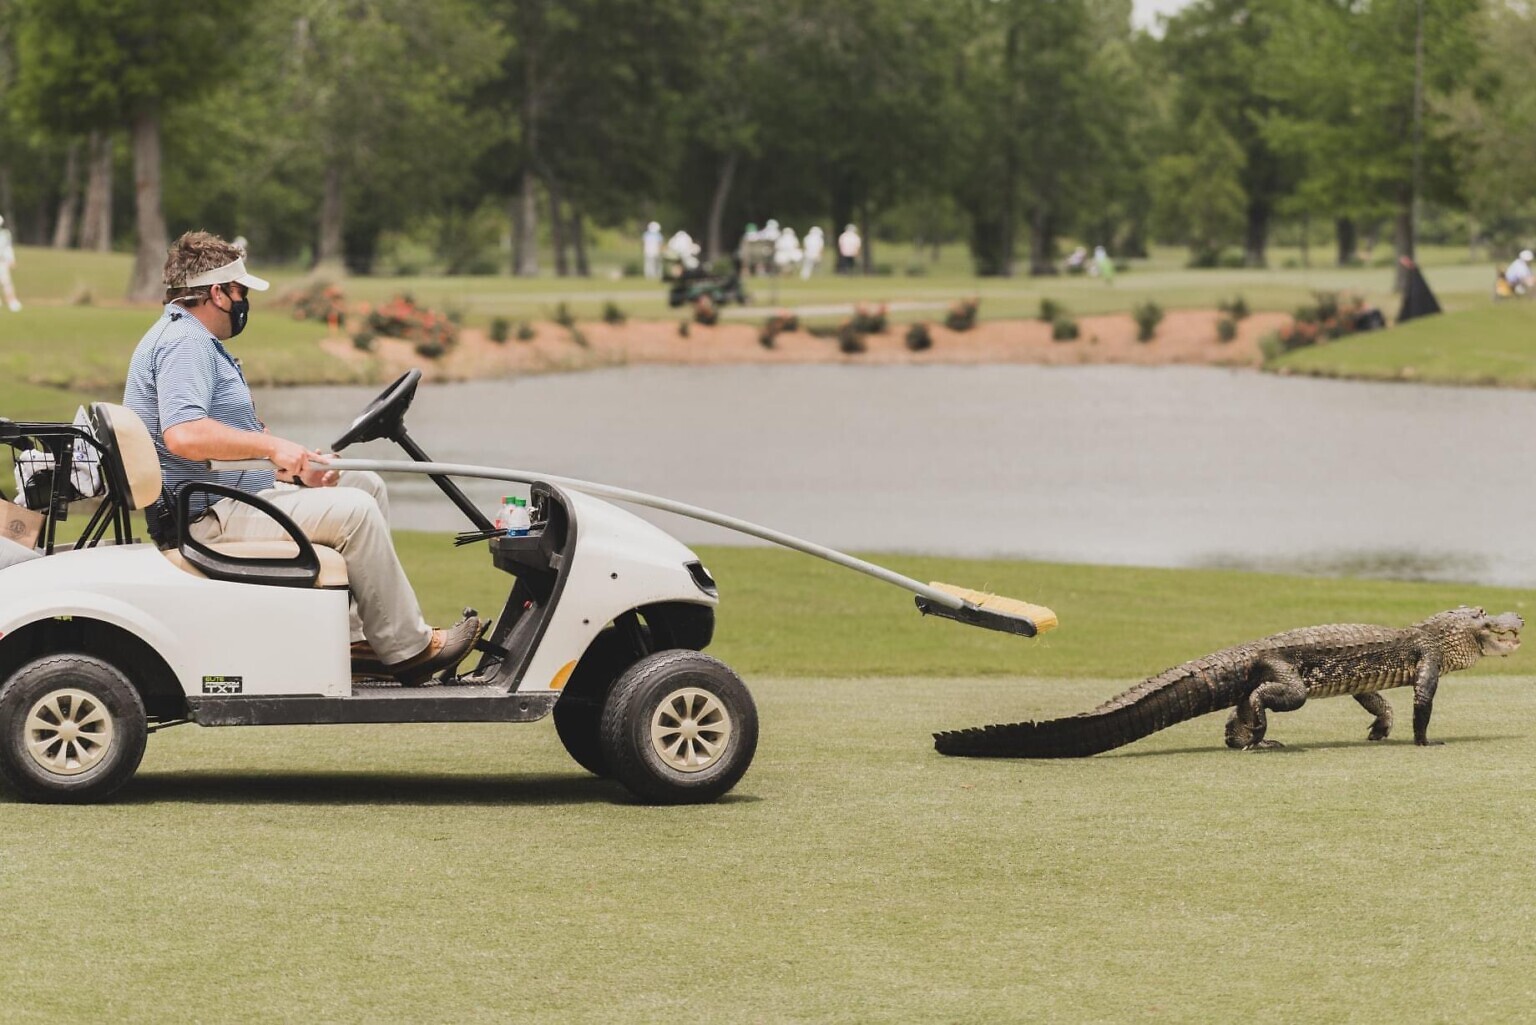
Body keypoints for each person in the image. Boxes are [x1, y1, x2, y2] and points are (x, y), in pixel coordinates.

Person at [122, 231, 480, 684]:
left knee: (362, 482)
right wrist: (274, 449)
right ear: (217, 292)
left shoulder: (188, 337)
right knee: (355, 511)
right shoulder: (184, 344)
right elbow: (185, 435)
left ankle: (356, 641)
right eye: (240, 292)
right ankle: (409, 648)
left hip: (222, 496)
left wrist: (290, 464)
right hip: (205, 515)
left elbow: (225, 437)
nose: (243, 301)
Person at [0, 215, 21, 312]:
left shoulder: (5, 234)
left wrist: (11, 259)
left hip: (2, 261)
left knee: (6, 282)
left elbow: (8, 249)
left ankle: (11, 301)